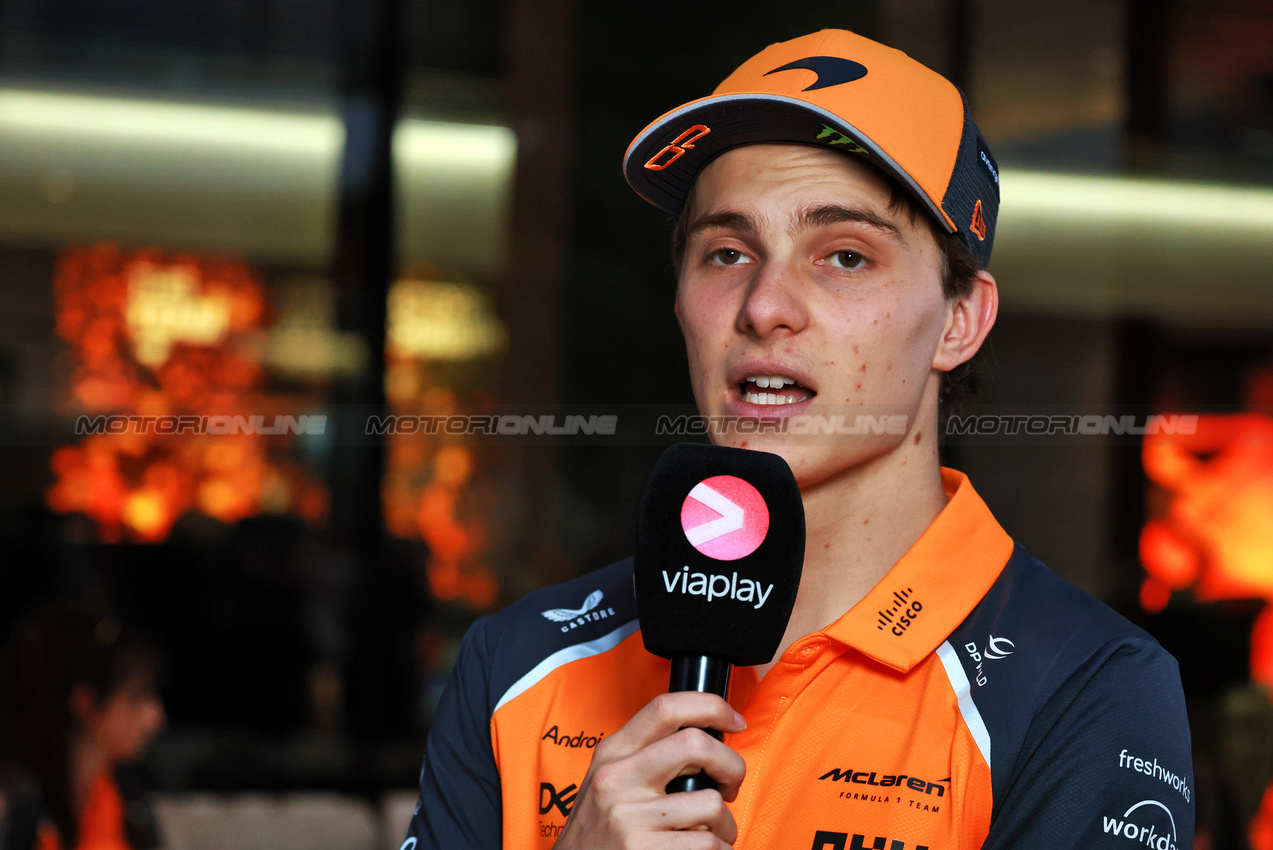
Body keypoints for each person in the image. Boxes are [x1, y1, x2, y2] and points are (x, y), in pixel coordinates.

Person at [402, 29, 1195, 850]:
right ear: (679, 304)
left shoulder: (1081, 684)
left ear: (959, 321)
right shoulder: (518, 658)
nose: (763, 305)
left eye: (844, 256)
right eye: (727, 252)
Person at [0, 604, 166, 850]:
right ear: (84, 703)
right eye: (135, 697)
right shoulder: (17, 803)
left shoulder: (129, 805)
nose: (155, 717)